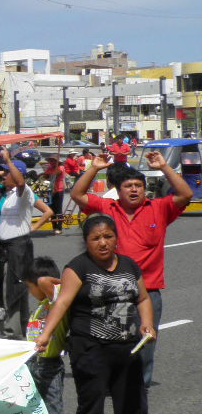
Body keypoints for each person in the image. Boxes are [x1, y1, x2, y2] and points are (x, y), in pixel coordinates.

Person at [32, 214, 159, 414]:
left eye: (108, 237)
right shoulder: (78, 268)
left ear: (116, 238)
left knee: (132, 407)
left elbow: (144, 298)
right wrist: (45, 335)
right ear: (87, 241)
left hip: (128, 348)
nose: (103, 243)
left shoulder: (129, 265)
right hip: (90, 348)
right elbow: (62, 303)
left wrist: (147, 324)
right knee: (92, 406)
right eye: (96, 238)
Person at [69, 150, 190, 393]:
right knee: (109, 341)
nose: (134, 190)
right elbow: (77, 194)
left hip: (149, 291)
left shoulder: (159, 208)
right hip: (111, 290)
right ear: (118, 190)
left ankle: (138, 390)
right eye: (128, 186)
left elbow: (185, 194)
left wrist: (165, 167)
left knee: (145, 343)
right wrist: (94, 168)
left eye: (138, 185)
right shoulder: (107, 207)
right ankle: (112, 386)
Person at [0, 153, 52, 338]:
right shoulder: (2, 191)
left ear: (17, 173)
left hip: (19, 246)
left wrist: (34, 227)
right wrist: (0, 171)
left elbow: (46, 209)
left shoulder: (23, 192)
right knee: (4, 281)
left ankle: (16, 329)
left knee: (16, 287)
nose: (3, 176)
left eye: (7, 173)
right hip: (2, 244)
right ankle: (19, 326)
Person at [21, 256, 73, 414]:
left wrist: (40, 278)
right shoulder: (41, 306)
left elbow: (49, 285)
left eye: (30, 286)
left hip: (50, 366)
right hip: (33, 366)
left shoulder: (56, 302)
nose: (31, 291)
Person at [41, 156, 67, 233]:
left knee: (58, 209)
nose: (51, 162)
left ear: (57, 161)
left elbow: (57, 173)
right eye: (50, 161)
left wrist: (49, 172)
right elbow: (46, 175)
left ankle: (59, 228)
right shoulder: (50, 167)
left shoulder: (61, 167)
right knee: (51, 209)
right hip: (50, 190)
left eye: (53, 161)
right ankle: (54, 227)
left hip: (59, 190)